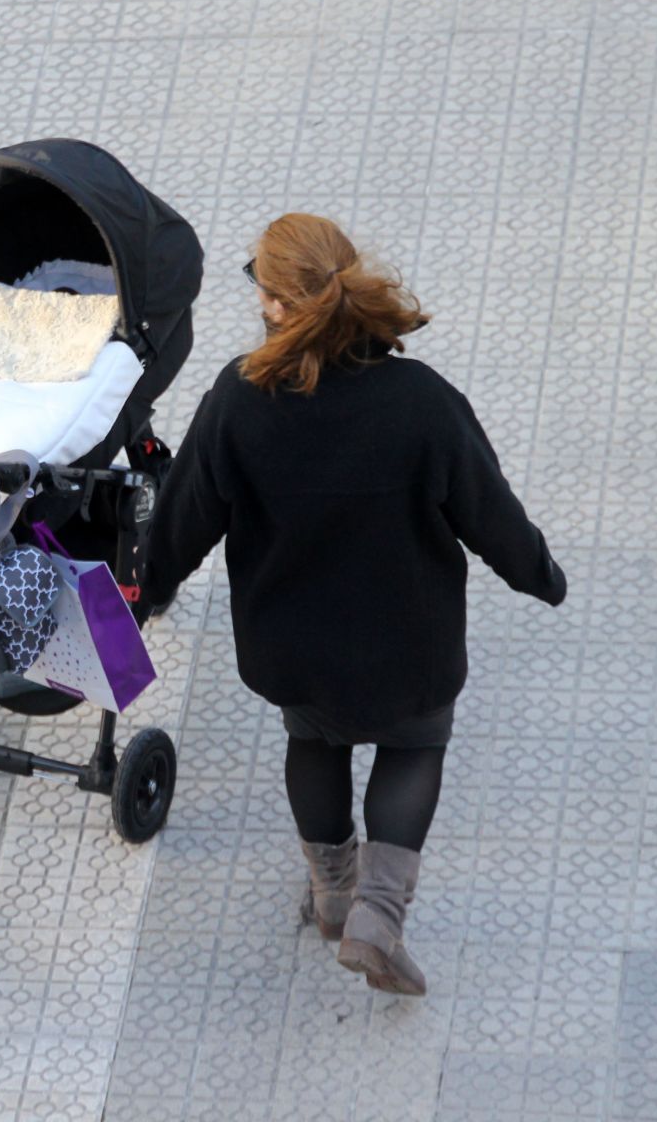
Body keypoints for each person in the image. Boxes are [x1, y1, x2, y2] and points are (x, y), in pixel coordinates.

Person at [139, 213, 566, 998]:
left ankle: (333, 894)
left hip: (294, 646)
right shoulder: (421, 401)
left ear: (274, 305)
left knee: (315, 742)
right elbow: (488, 511)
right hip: (407, 644)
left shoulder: (238, 401)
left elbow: (185, 515)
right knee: (412, 748)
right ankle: (378, 915)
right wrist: (540, 574)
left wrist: (151, 589)